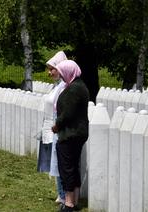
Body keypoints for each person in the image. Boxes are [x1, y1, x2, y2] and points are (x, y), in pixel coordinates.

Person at [51, 60, 89, 212]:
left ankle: (69, 203)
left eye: (61, 72)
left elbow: (68, 113)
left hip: (69, 134)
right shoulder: (80, 86)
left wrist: (57, 125)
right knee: (73, 167)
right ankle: (75, 199)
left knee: (66, 168)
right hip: (78, 133)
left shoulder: (73, 89)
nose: (60, 75)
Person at [37, 51, 67, 204]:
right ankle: (60, 193)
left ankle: (63, 195)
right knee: (54, 161)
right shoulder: (57, 86)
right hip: (50, 126)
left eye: (52, 69)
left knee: (59, 161)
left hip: (57, 126)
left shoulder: (64, 86)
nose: (49, 73)